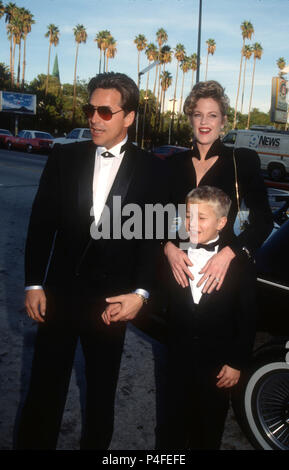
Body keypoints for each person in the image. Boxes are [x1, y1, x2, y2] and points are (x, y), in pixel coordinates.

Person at [16, 72, 168, 450]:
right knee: (43, 392)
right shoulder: (64, 156)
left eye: (105, 111)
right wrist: (34, 283)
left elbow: (155, 239)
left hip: (111, 303)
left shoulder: (153, 169)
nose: (94, 118)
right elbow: (40, 225)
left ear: (128, 117)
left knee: (101, 396)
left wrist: (142, 293)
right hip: (59, 296)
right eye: (90, 109)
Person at [161, 185, 257, 449]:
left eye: (202, 218)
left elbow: (247, 317)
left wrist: (237, 362)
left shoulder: (240, 265)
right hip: (177, 362)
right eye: (189, 216)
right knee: (170, 428)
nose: (192, 223)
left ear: (222, 222)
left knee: (208, 429)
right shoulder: (174, 255)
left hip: (217, 367)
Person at [164, 80, 273, 293]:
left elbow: (263, 221)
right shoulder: (173, 164)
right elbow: (155, 216)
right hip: (178, 276)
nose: (204, 122)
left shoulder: (241, 161)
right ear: (190, 119)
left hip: (227, 276)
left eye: (212, 115)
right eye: (198, 114)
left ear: (223, 121)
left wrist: (229, 254)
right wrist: (168, 247)